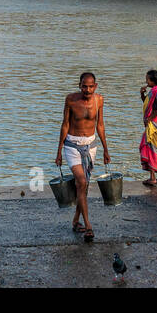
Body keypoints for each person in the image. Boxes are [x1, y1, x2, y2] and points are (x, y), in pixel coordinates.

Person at [57, 72, 109, 241]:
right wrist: (58, 151)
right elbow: (65, 124)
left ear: (95, 86)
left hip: (91, 146)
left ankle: (75, 220)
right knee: (82, 182)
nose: (87, 89)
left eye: (90, 86)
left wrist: (106, 150)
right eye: (84, 86)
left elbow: (100, 125)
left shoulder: (99, 100)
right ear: (79, 85)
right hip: (72, 145)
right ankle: (88, 226)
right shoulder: (71, 100)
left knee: (83, 186)